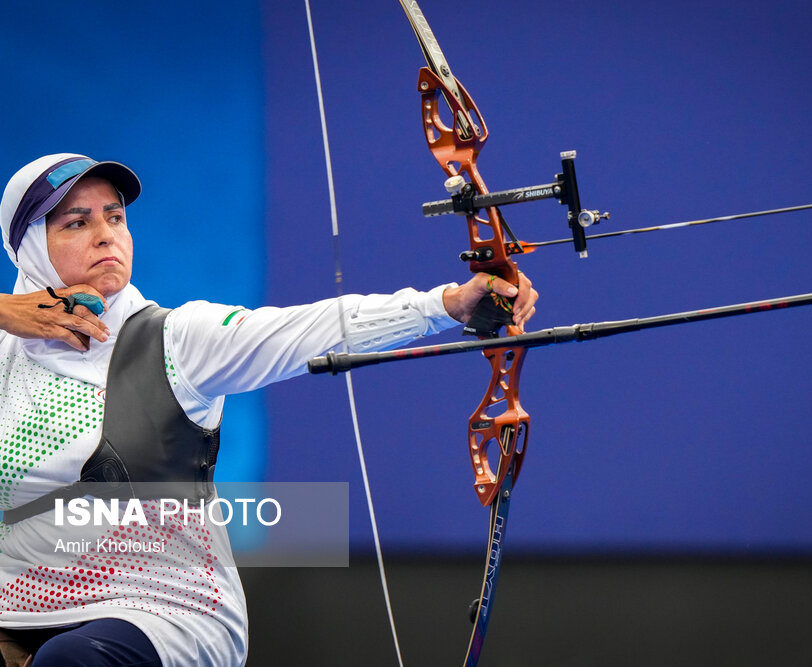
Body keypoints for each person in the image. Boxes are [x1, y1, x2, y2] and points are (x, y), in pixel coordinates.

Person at [0, 153, 538, 667]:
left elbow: (317, 326)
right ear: (27, 249)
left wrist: (446, 304)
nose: (105, 236)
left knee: (74, 661)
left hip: (163, 608)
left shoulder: (178, 341)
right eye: (75, 223)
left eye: (115, 217)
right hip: (20, 606)